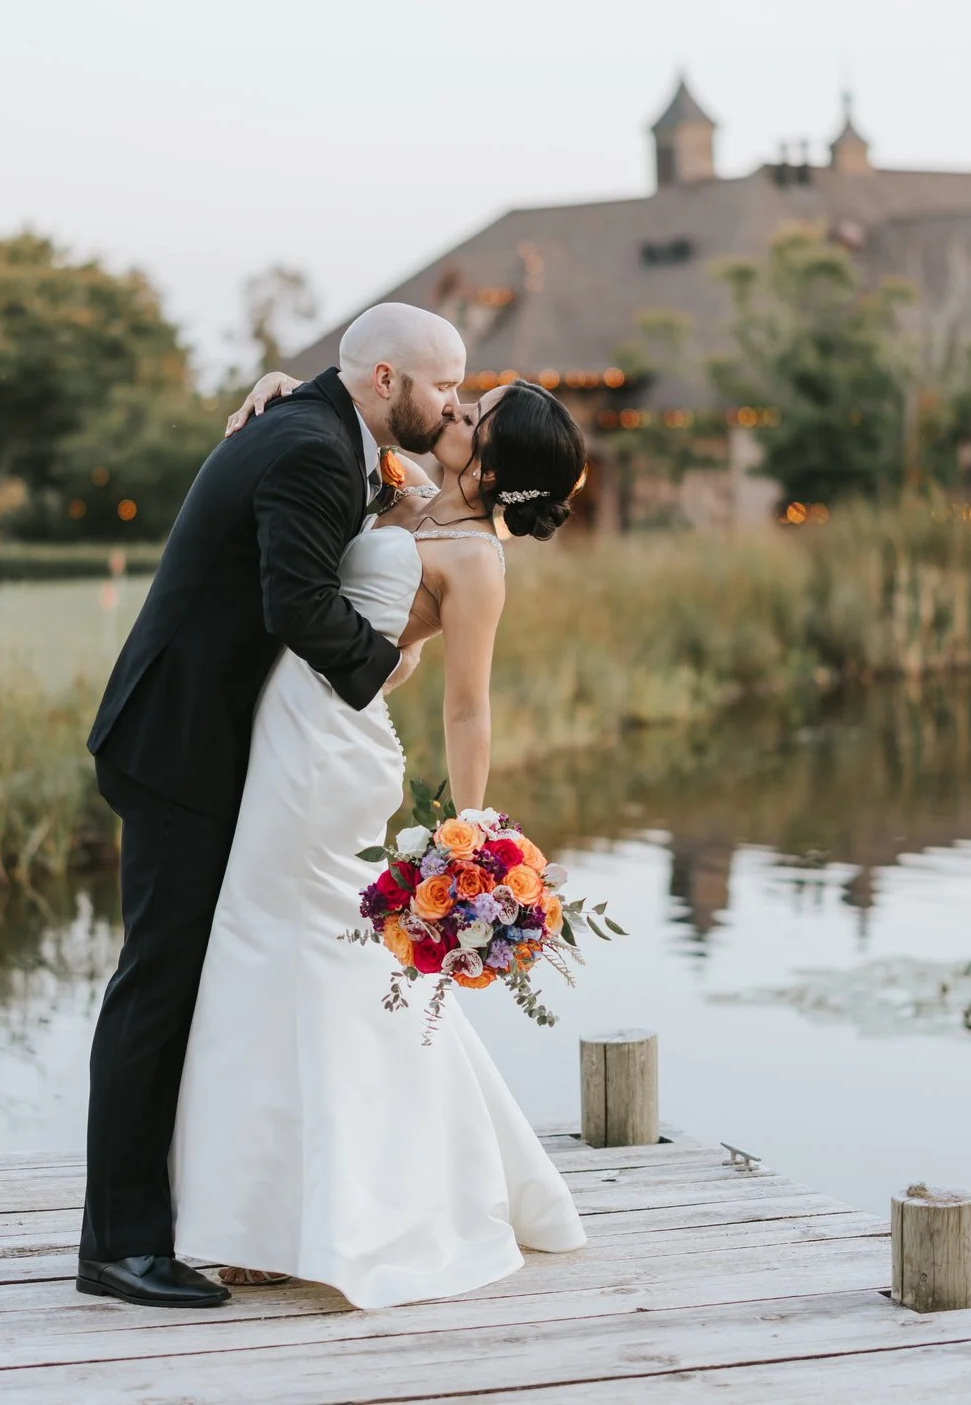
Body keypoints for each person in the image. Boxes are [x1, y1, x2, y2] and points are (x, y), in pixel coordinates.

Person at [167, 366, 593, 1310]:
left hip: (333, 747)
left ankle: (294, 1212)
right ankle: (268, 1200)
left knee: (289, 946)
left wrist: (468, 839)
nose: (456, 410)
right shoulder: (401, 486)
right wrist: (285, 385)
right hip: (287, 724)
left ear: (493, 460)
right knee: (275, 943)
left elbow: (470, 708)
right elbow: (337, 432)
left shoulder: (478, 562)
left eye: (475, 415)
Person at [77, 303, 465, 1309]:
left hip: (208, 742)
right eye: (444, 385)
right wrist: (387, 669)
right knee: (155, 984)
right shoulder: (308, 445)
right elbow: (292, 602)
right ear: (385, 380)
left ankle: (182, 1214)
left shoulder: (324, 431)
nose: (453, 402)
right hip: (176, 744)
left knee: (189, 978)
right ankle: (118, 1248)